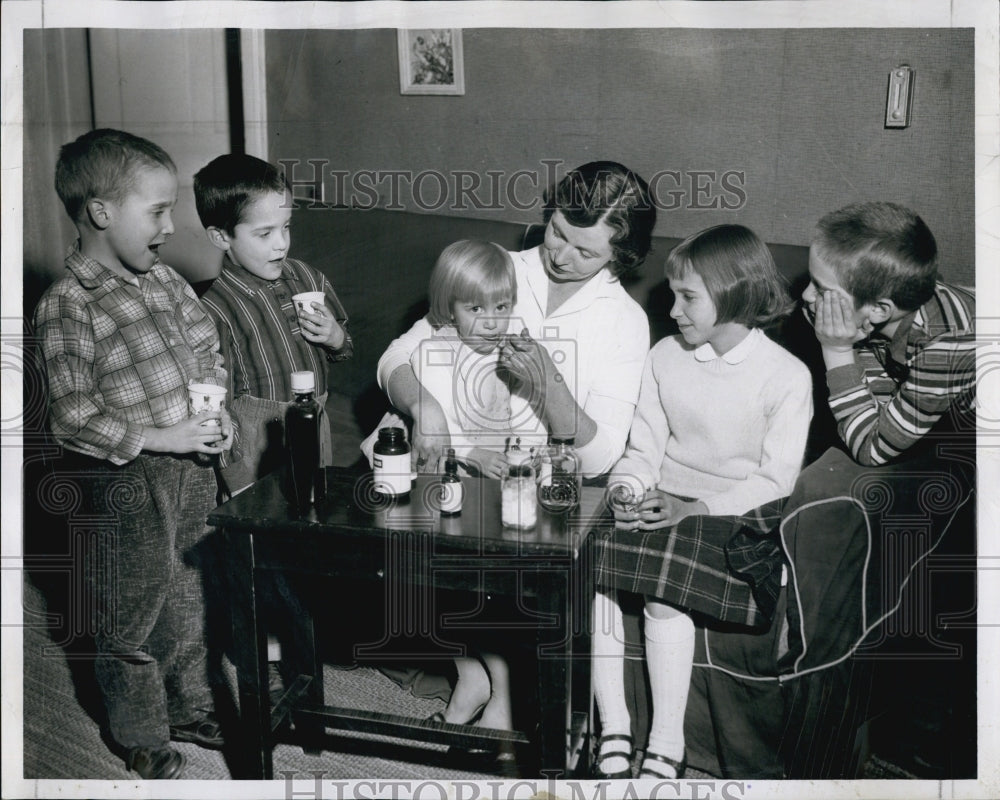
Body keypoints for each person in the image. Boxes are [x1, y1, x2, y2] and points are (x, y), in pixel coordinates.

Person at [33, 129, 234, 779]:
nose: (170, 227)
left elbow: (208, 352)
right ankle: (141, 733)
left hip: (190, 468)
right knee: (131, 610)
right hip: (121, 478)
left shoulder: (167, 282)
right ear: (100, 212)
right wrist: (162, 437)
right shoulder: (67, 304)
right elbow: (71, 417)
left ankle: (191, 705)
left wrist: (217, 413)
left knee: (191, 590)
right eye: (157, 211)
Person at [591, 224, 813, 779]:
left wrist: (693, 509)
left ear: (734, 293)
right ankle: (613, 726)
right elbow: (643, 449)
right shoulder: (665, 356)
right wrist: (626, 488)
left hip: (735, 514)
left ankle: (667, 744)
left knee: (662, 593)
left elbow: (775, 481)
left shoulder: (787, 376)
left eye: (688, 297)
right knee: (591, 567)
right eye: (673, 294)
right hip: (665, 499)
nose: (673, 311)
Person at [377, 161, 656, 477]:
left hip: (531, 485)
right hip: (442, 466)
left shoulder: (626, 322)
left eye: (585, 253)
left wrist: (548, 383)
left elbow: (597, 462)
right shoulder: (497, 268)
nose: (560, 257)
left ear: (620, 255)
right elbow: (395, 357)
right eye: (558, 232)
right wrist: (423, 407)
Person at [362, 240, 521, 765]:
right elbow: (396, 367)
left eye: (502, 306)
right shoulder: (433, 338)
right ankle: (469, 677)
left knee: (482, 590)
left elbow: (520, 420)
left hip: (491, 492)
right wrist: (461, 444)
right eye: (475, 309)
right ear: (448, 308)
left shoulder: (514, 346)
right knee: (428, 585)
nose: (491, 321)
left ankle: (503, 698)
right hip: (438, 478)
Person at [194, 153, 353, 496]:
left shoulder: (309, 277)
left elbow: (345, 347)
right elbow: (219, 404)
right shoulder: (214, 308)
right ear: (221, 237)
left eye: (286, 227)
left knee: (315, 502)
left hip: (315, 422)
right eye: (264, 233)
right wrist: (235, 479)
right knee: (266, 518)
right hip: (255, 442)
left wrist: (336, 337)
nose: (281, 243)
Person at [802, 200, 975, 465]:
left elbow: (871, 449)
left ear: (879, 310)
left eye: (821, 289)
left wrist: (836, 350)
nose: (806, 295)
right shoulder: (880, 316)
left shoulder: (945, 346)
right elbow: (877, 412)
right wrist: (851, 347)